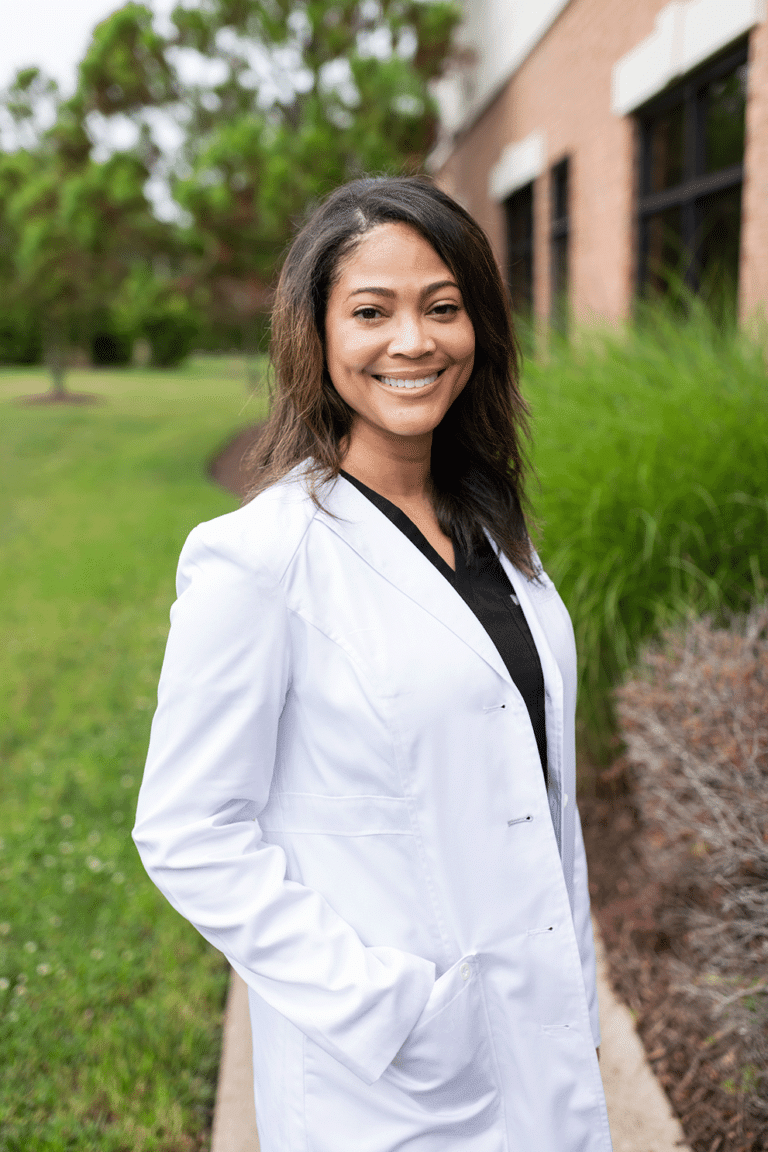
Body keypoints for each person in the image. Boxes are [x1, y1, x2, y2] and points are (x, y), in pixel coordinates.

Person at [133, 176, 612, 1152]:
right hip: (387, 1084)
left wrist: (576, 986)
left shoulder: (496, 536)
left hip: (537, 1042)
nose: (413, 341)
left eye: (443, 306)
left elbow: (539, 793)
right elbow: (188, 831)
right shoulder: (260, 559)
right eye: (371, 311)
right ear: (317, 335)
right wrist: (385, 1009)